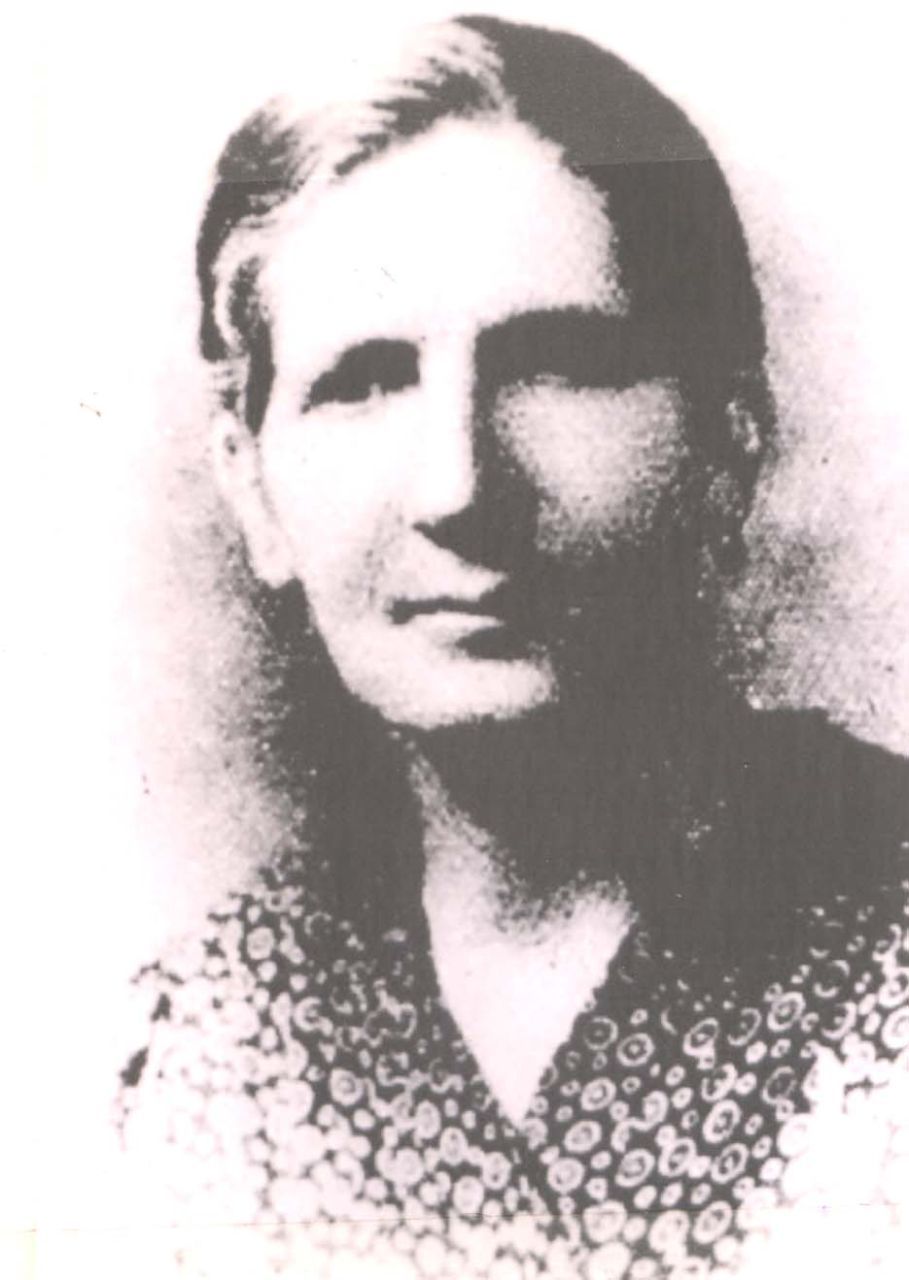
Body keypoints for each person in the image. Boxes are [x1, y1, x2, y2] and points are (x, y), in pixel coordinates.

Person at [118, 15, 909, 1278]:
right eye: (365, 379)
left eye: (561, 364)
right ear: (253, 486)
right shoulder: (192, 1053)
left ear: (728, 447)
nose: (459, 487)